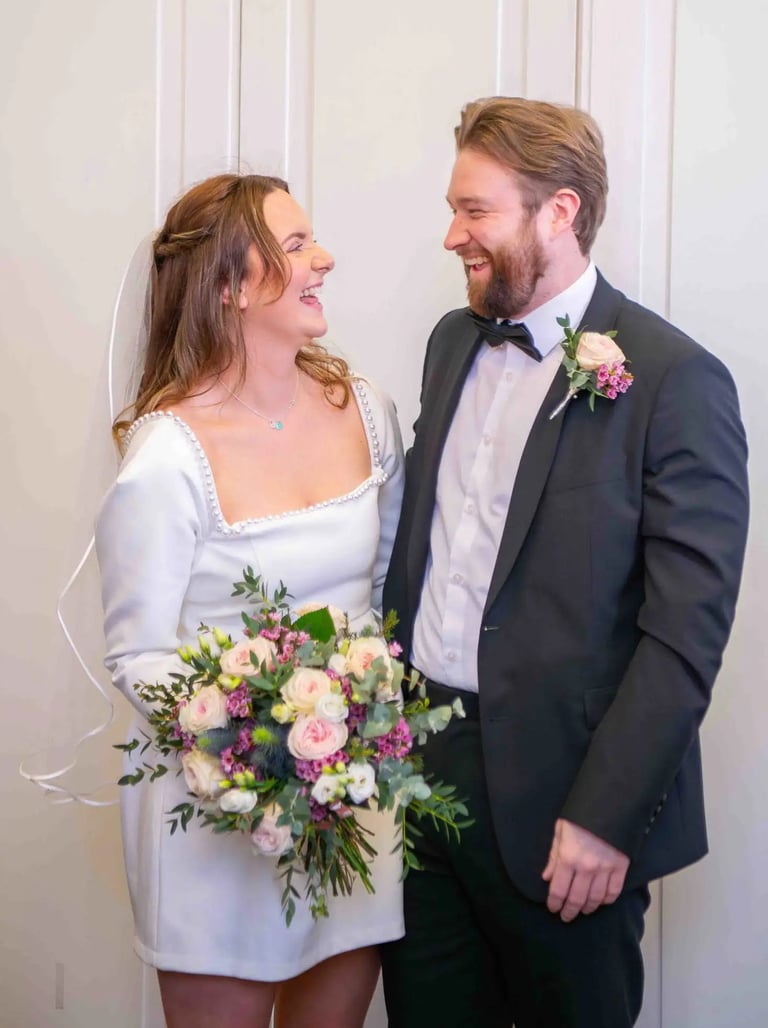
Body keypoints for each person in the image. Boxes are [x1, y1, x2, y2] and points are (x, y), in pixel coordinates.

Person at [380, 97, 749, 1028]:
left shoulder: (675, 380)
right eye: (454, 209)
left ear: (560, 212)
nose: (452, 236)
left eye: (476, 210)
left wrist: (605, 815)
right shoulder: (451, 342)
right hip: (420, 787)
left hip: (565, 811)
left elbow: (685, 634)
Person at [95, 173, 405, 1028]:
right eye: (297, 245)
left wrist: (343, 746)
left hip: (351, 796)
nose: (324, 258)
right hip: (216, 818)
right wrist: (256, 749)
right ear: (230, 285)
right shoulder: (168, 454)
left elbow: (387, 592)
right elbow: (136, 651)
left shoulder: (366, 411)